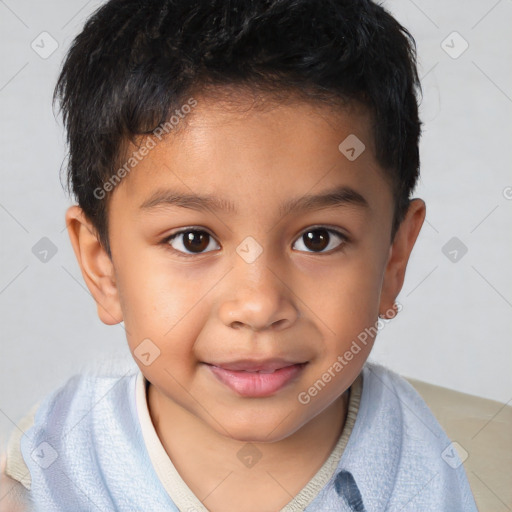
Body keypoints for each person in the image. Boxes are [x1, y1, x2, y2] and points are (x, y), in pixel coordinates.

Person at [0, 0, 478, 510]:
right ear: (103, 265)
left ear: (393, 258)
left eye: (318, 238)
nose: (258, 305)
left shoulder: (426, 467)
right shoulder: (51, 465)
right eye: (193, 240)